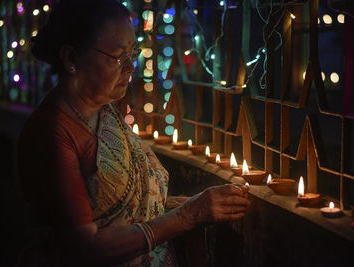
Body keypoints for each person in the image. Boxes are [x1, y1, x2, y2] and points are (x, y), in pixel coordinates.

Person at [17, 0, 250, 266]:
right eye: (118, 57)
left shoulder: (106, 111)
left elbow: (131, 210)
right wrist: (187, 215)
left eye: (133, 54)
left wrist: (193, 205)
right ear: (71, 58)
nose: (130, 68)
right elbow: (85, 246)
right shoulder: (52, 132)